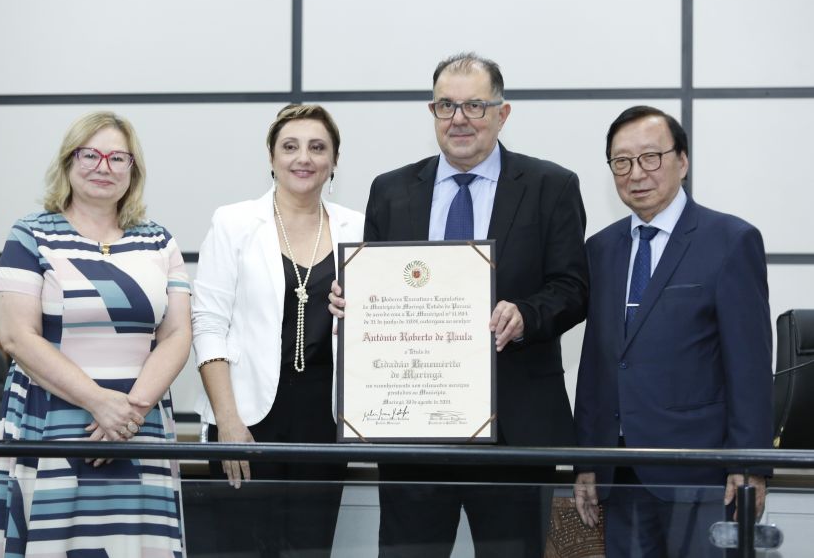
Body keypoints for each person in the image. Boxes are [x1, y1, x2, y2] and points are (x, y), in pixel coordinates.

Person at [330, 53, 589, 557]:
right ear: (432, 112)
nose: (459, 119)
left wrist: (525, 315)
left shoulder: (550, 186)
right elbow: (380, 290)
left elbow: (572, 288)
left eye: (474, 105)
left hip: (515, 429)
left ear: (502, 113)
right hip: (413, 427)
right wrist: (354, 298)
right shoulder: (391, 190)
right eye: (446, 105)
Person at [0, 111, 191, 557]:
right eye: (91, 154)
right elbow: (17, 336)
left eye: (118, 157)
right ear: (68, 162)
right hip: (53, 424)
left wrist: (128, 412)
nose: (104, 166)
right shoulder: (31, 235)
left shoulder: (159, 241)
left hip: (140, 427)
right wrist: (99, 403)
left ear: (133, 170)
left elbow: (177, 334)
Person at [573, 105, 772, 557]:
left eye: (650, 157)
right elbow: (598, 362)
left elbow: (751, 364)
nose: (636, 173)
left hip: (702, 473)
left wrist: (750, 465)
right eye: (621, 162)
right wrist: (587, 460)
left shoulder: (730, 240)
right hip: (620, 472)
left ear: (682, 161)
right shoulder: (601, 249)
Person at [192, 104, 365, 556]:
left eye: (317, 147)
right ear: (271, 157)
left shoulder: (359, 228)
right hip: (246, 417)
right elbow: (208, 323)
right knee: (243, 548)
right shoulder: (233, 223)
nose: (302, 158)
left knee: (312, 549)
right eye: (290, 146)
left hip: (324, 421)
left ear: (334, 161)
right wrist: (228, 422)